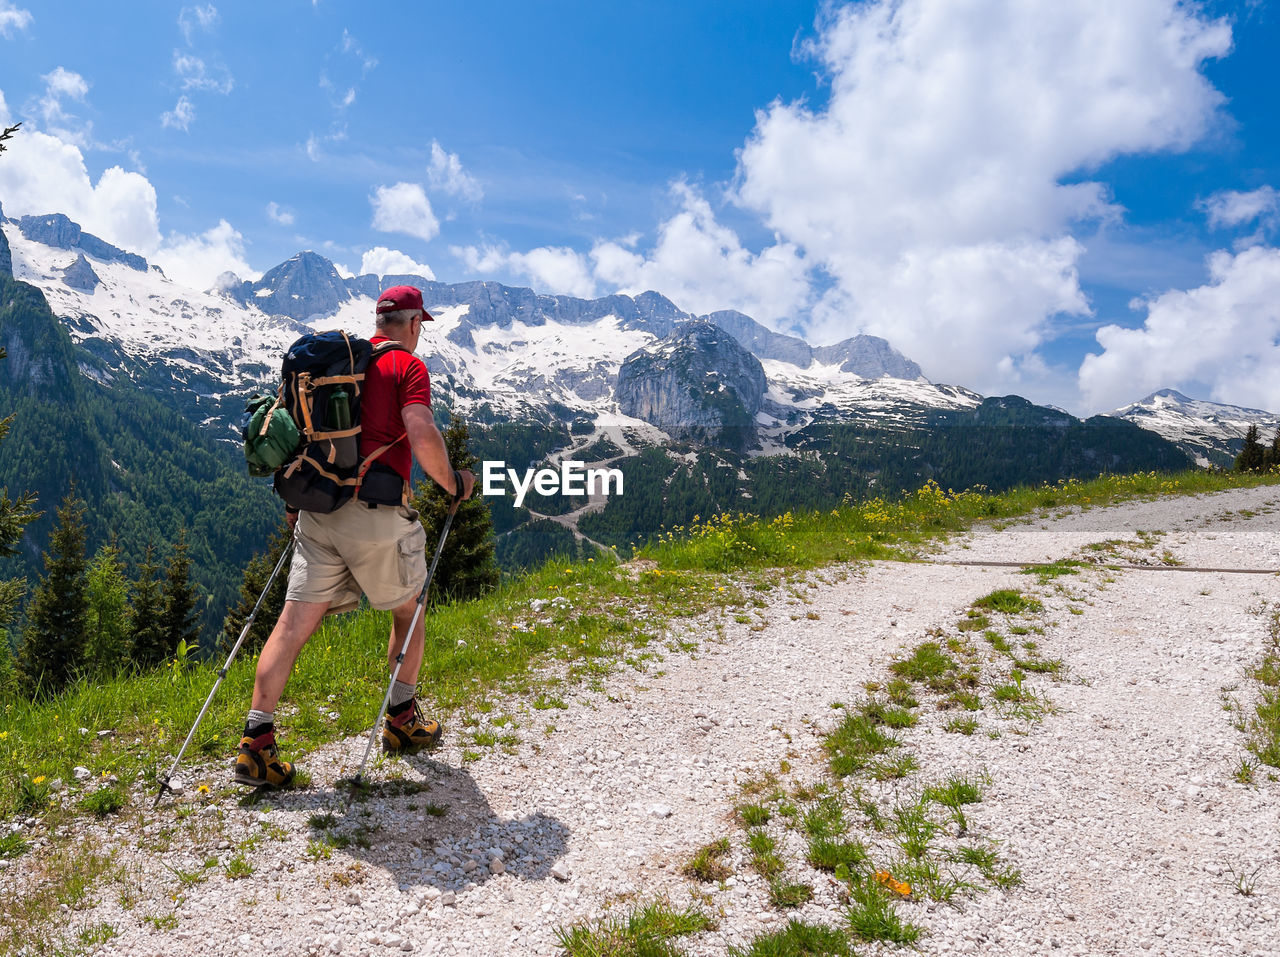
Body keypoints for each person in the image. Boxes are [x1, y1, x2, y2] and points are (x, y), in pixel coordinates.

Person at [233, 285, 476, 789]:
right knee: (408, 613)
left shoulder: (336, 367)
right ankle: (402, 721)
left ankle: (256, 746)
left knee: (293, 624)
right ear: (413, 324)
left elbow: (298, 436)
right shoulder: (406, 367)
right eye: (419, 325)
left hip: (317, 512)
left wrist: (294, 502)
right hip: (376, 513)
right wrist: (453, 482)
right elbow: (420, 427)